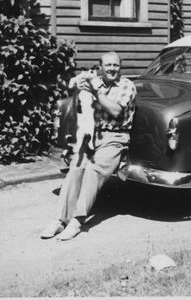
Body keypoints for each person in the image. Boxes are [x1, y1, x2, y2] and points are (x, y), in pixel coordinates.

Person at [40, 52, 137, 241]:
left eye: (115, 66)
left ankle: (77, 221)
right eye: (108, 65)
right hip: (92, 135)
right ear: (100, 67)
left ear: (120, 68)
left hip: (115, 137)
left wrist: (95, 93)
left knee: (94, 170)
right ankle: (60, 220)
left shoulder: (127, 85)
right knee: (76, 168)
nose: (111, 69)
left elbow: (116, 111)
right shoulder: (94, 82)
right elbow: (80, 106)